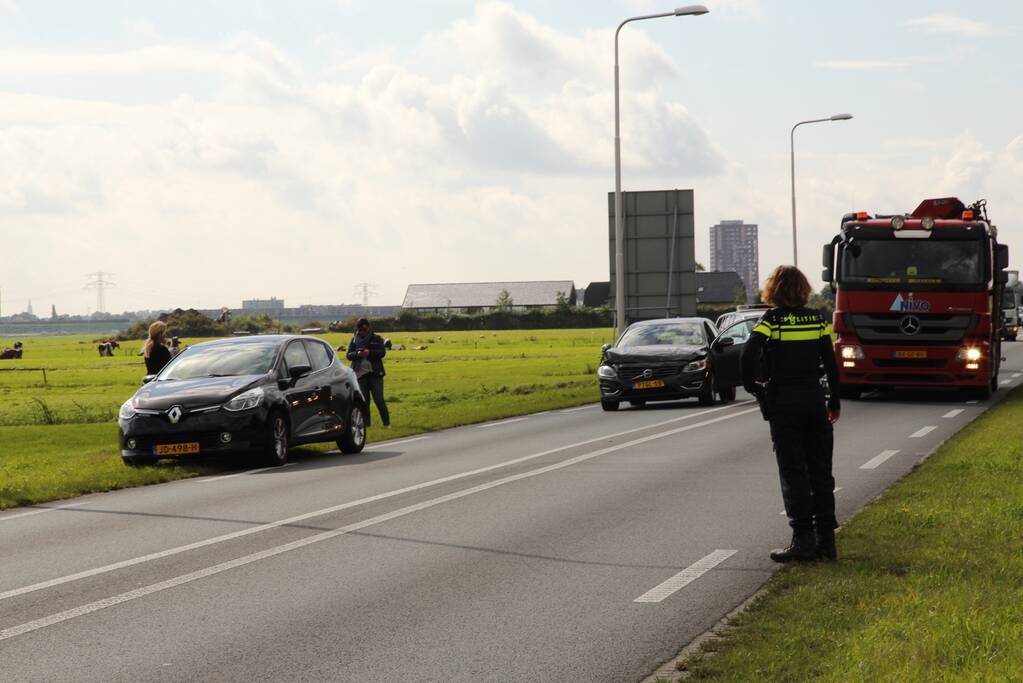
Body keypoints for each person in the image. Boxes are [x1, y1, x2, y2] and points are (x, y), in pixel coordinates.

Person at [741, 265, 841, 562]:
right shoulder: (817, 319)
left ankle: (802, 540)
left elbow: (747, 354)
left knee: (793, 471)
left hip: (784, 403)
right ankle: (827, 542)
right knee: (821, 471)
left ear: (775, 291)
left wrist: (755, 389)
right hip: (813, 400)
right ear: (803, 289)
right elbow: (831, 363)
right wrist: (834, 399)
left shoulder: (772, 321)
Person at [345, 318, 390, 427]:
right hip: (360, 375)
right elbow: (348, 355)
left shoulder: (377, 338)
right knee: (364, 402)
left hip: (375, 374)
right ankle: (366, 425)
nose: (362, 332)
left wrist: (369, 353)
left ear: (368, 327)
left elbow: (382, 352)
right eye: (359, 330)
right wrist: (357, 354)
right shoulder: (354, 340)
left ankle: (387, 424)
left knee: (379, 400)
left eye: (364, 329)